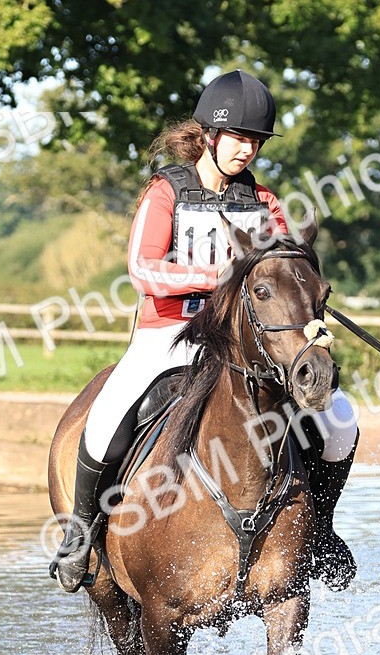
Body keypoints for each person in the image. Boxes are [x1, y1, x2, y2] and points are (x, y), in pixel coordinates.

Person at [50, 69, 358, 594]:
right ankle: (81, 533)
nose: (247, 150)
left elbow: (284, 270)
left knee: (342, 420)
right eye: (238, 137)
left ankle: (321, 530)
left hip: (240, 343)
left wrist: (308, 317)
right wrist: (211, 277)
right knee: (106, 417)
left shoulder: (262, 203)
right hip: (168, 334)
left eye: (255, 141)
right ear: (210, 136)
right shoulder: (165, 192)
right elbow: (142, 270)